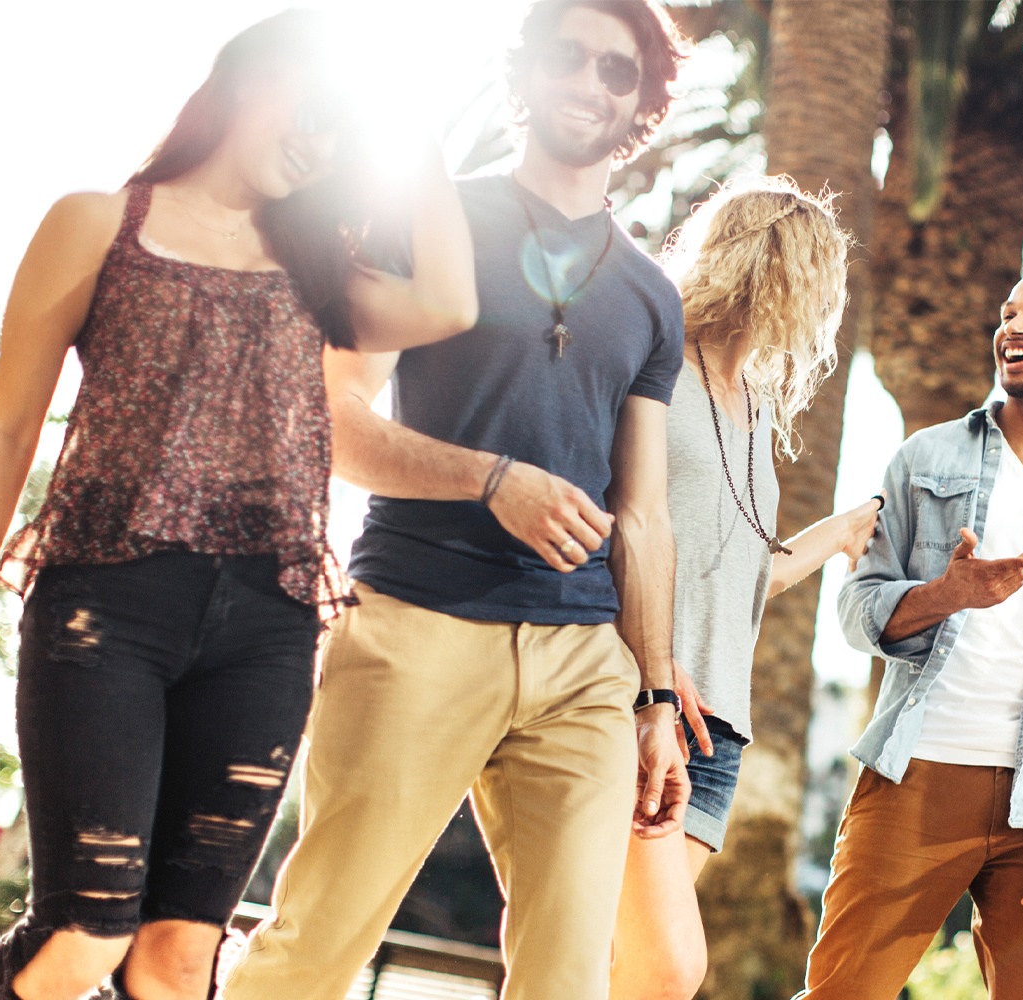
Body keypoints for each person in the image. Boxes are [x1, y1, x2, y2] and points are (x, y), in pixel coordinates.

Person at [0, 11, 478, 1000]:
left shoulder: (325, 266)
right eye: (315, 109)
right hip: (104, 609)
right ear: (253, 78)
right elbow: (7, 430)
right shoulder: (98, 222)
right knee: (82, 936)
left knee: (176, 965)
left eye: (345, 129)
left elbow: (451, 304)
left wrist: (410, 134)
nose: (321, 140)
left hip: (269, 627)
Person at [219, 4, 690, 1000]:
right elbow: (336, 422)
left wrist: (653, 691)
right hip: (415, 624)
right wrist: (489, 479)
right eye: (567, 57)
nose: (589, 83)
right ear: (522, 76)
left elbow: (642, 514)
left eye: (618, 71)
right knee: (314, 946)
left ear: (642, 102)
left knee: (570, 980)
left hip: (583, 665)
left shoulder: (652, 296)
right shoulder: (425, 226)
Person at [799, 265, 1023, 999]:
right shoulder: (926, 459)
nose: (1015, 326)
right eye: (1007, 313)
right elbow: (854, 610)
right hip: (918, 773)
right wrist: (943, 596)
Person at [607, 176, 879, 999]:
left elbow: (744, 574)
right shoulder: (655, 369)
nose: (820, 304)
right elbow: (614, 519)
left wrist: (837, 534)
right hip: (642, 704)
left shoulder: (756, 407)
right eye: (812, 273)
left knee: (606, 969)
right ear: (769, 263)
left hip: (719, 729)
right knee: (666, 968)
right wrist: (646, 666)